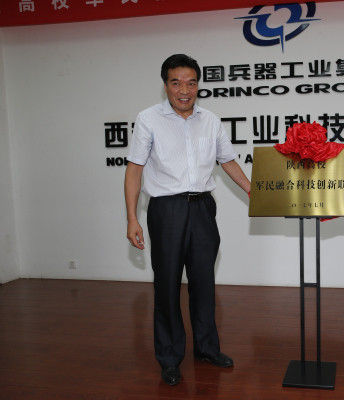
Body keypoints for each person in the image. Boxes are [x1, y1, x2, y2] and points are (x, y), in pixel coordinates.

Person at [124, 54, 251, 386]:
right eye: (176, 83)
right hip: (166, 209)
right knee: (167, 286)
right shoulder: (148, 119)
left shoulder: (210, 120)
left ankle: (207, 348)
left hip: (203, 209)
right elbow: (134, 170)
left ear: (198, 85)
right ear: (165, 84)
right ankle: (169, 358)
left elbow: (228, 161)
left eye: (191, 83)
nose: (184, 90)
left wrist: (253, 190)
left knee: (204, 282)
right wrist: (132, 219)